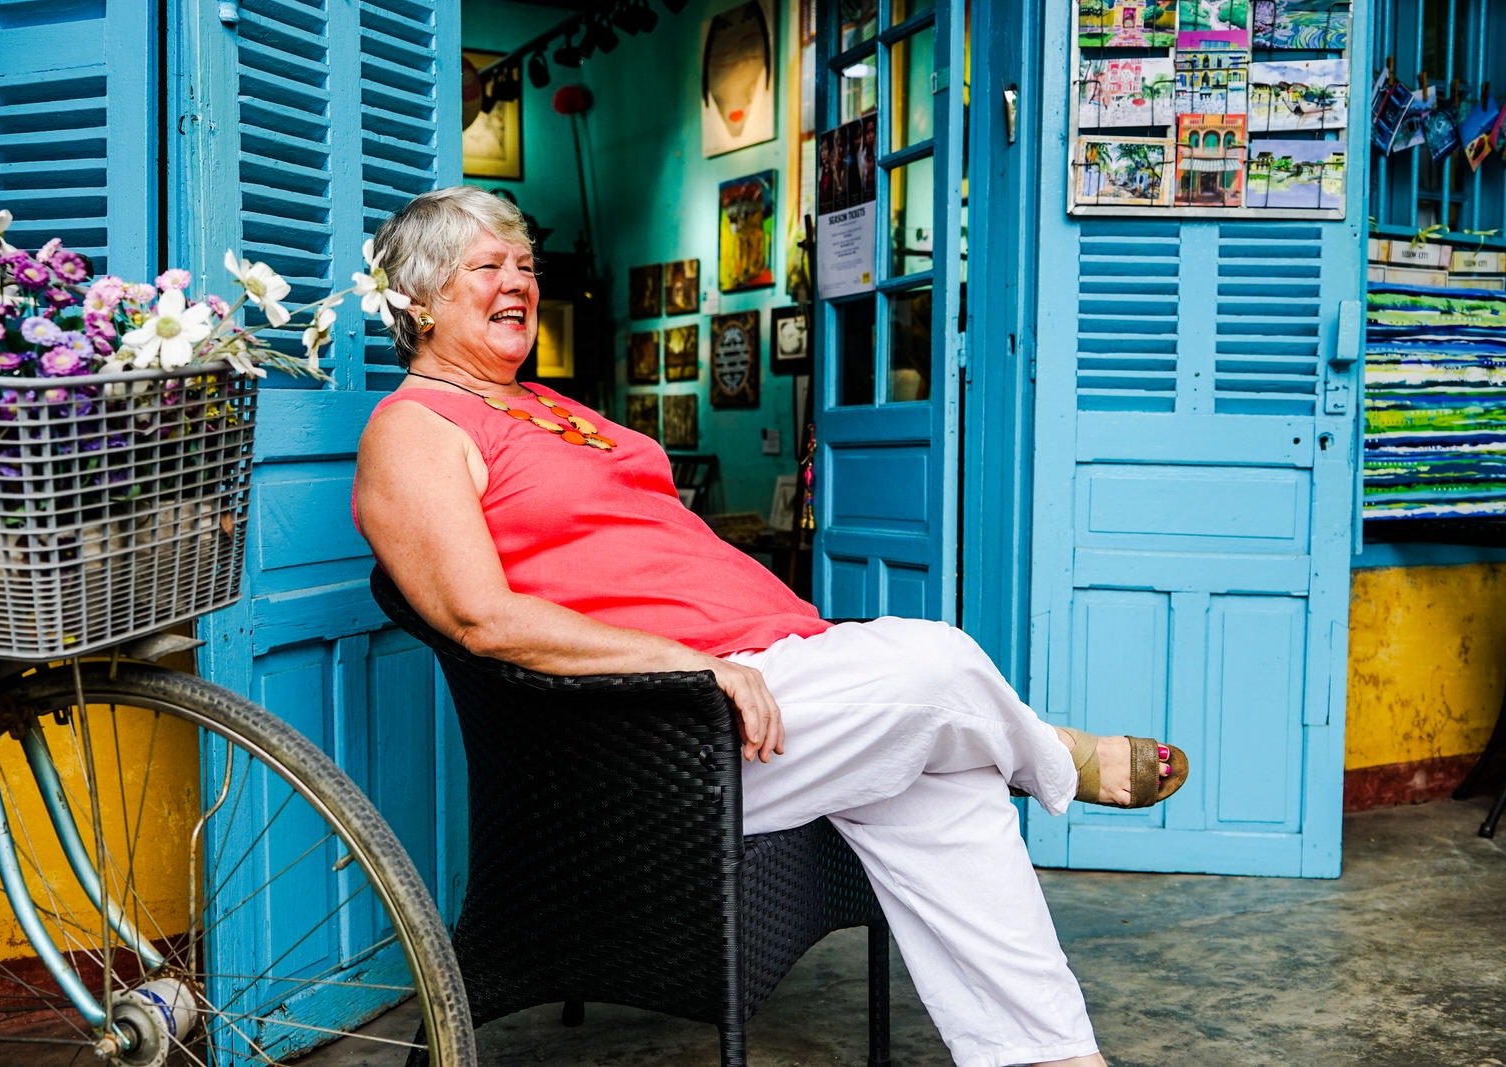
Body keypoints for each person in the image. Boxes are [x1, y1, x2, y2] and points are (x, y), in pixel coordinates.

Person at [353, 187, 1189, 1067]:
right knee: (938, 665)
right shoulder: (414, 430)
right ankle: (1053, 756)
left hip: (777, 668)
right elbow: (480, 618)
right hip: (670, 729)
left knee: (949, 785)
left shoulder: (550, 406)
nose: (517, 281)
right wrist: (691, 665)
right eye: (487, 268)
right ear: (417, 302)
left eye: (524, 264)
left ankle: (1052, 1058)